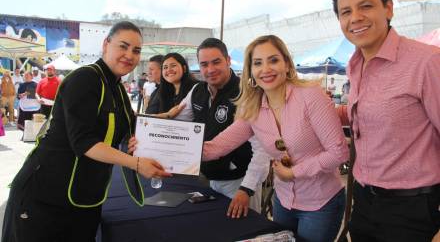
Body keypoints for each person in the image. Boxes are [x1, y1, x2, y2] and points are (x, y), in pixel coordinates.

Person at [1, 21, 171, 242]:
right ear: (105, 44)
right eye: (123, 46)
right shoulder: (85, 78)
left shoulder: (117, 88)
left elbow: (133, 123)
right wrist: (136, 163)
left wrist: (167, 121)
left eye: (136, 51)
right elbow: (83, 141)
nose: (129, 55)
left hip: (85, 196)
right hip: (46, 195)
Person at [203, 35, 348, 242]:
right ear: (251, 71)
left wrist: (294, 172)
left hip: (321, 203)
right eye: (258, 63)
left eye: (273, 60)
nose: (266, 69)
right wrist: (166, 149)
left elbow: (339, 152)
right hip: (284, 200)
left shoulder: (310, 95)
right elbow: (216, 148)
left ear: (287, 64)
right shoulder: (252, 107)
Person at [333, 0, 440, 242]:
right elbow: (370, 114)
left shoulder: (426, 62)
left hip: (413, 210)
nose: (355, 17)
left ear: (388, 8)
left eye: (366, 6)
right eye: (345, 11)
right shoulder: (355, 64)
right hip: (364, 202)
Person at [146, 38, 270, 219]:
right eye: (204, 64)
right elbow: (177, 124)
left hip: (240, 181)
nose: (210, 69)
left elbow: (262, 149)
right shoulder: (198, 90)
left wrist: (247, 189)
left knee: (244, 232)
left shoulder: (248, 93)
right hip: (209, 178)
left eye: (216, 62)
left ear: (228, 60)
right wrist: (147, 137)